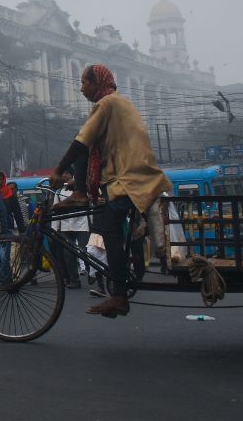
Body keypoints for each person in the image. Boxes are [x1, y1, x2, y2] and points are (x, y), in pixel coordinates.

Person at [47, 64, 172, 318]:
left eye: (84, 83)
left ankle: (119, 295)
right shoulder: (119, 103)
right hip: (129, 176)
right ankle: (80, 192)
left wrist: (59, 170)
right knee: (86, 141)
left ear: (97, 83)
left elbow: (81, 141)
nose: (81, 88)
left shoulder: (107, 104)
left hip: (129, 179)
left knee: (109, 230)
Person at [52, 181, 90, 289]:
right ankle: (74, 280)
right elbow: (56, 211)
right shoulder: (59, 192)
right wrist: (54, 229)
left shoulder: (82, 189)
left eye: (66, 174)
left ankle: (92, 273)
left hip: (82, 225)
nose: (63, 177)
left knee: (85, 251)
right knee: (68, 254)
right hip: (65, 226)